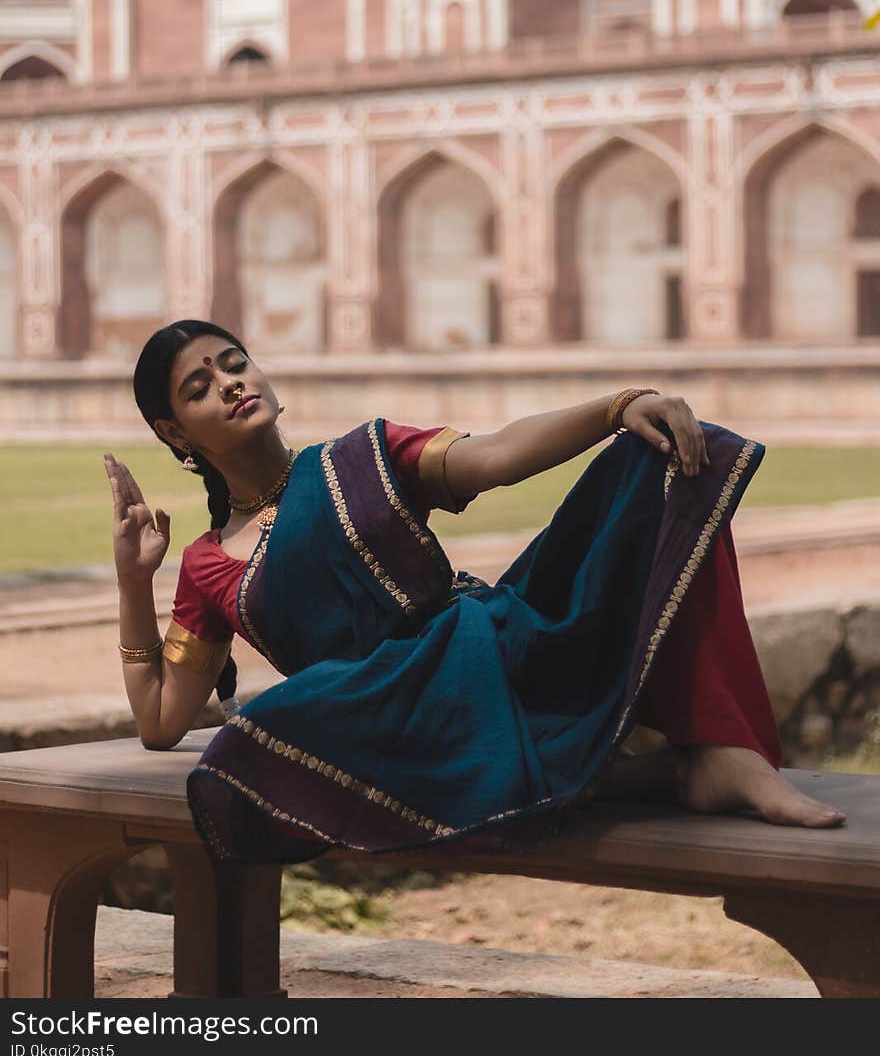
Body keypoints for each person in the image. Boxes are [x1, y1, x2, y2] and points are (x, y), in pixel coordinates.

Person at [105, 319, 844, 867]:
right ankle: (678, 777)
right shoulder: (205, 564)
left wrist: (616, 408)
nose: (231, 383)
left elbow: (493, 457)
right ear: (175, 431)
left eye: (236, 364)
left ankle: (720, 752)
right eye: (200, 387)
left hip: (493, 659)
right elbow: (162, 719)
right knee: (268, 726)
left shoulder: (363, 457)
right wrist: (134, 579)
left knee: (670, 456)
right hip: (377, 722)